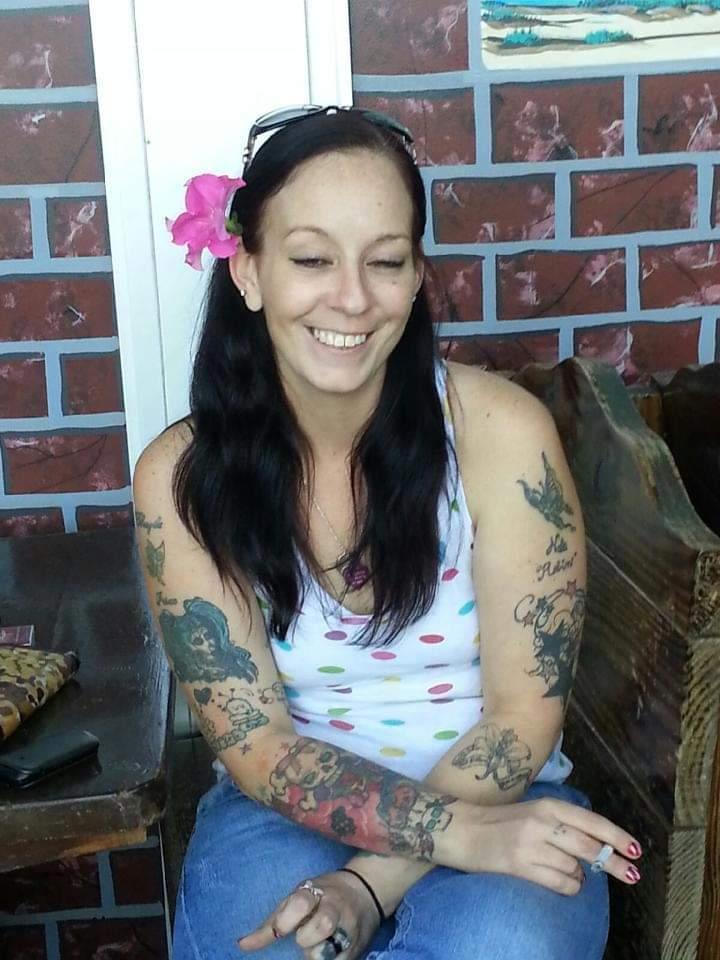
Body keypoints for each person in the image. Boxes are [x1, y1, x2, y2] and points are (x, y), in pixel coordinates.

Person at [132, 105, 643, 960]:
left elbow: (523, 716)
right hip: (283, 811)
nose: (352, 297)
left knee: (505, 948)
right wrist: (448, 835)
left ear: (415, 278)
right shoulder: (181, 479)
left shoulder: (501, 435)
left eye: (385, 261)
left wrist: (373, 881)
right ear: (248, 270)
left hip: (499, 797)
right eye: (311, 259)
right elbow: (259, 747)